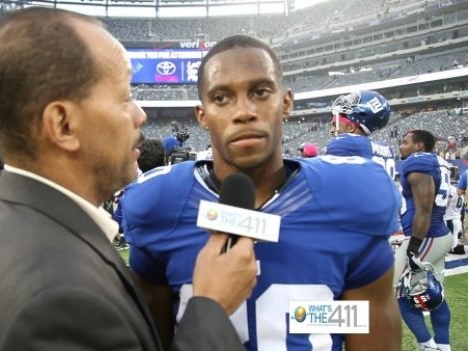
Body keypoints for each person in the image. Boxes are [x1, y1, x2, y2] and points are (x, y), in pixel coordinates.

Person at [0, 8, 257, 351]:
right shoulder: (62, 297)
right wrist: (210, 307)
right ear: (64, 125)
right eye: (125, 97)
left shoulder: (13, 224)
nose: (140, 115)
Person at [122, 35, 402, 351]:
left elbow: (362, 322)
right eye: (222, 97)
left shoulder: (350, 198)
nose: (244, 111)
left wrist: (300, 314)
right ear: (202, 116)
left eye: (260, 91)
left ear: (286, 102)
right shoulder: (159, 204)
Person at [395, 130, 453, 351]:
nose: (401, 146)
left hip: (425, 237)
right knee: (433, 294)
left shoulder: (418, 162)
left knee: (398, 293)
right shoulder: (438, 162)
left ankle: (427, 344)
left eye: (405, 142)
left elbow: (424, 209)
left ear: (418, 146)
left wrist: (413, 250)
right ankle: (443, 345)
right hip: (438, 234)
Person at [326, 90, 395, 177]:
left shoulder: (344, 144)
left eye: (335, 124)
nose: (331, 130)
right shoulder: (386, 150)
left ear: (351, 127)